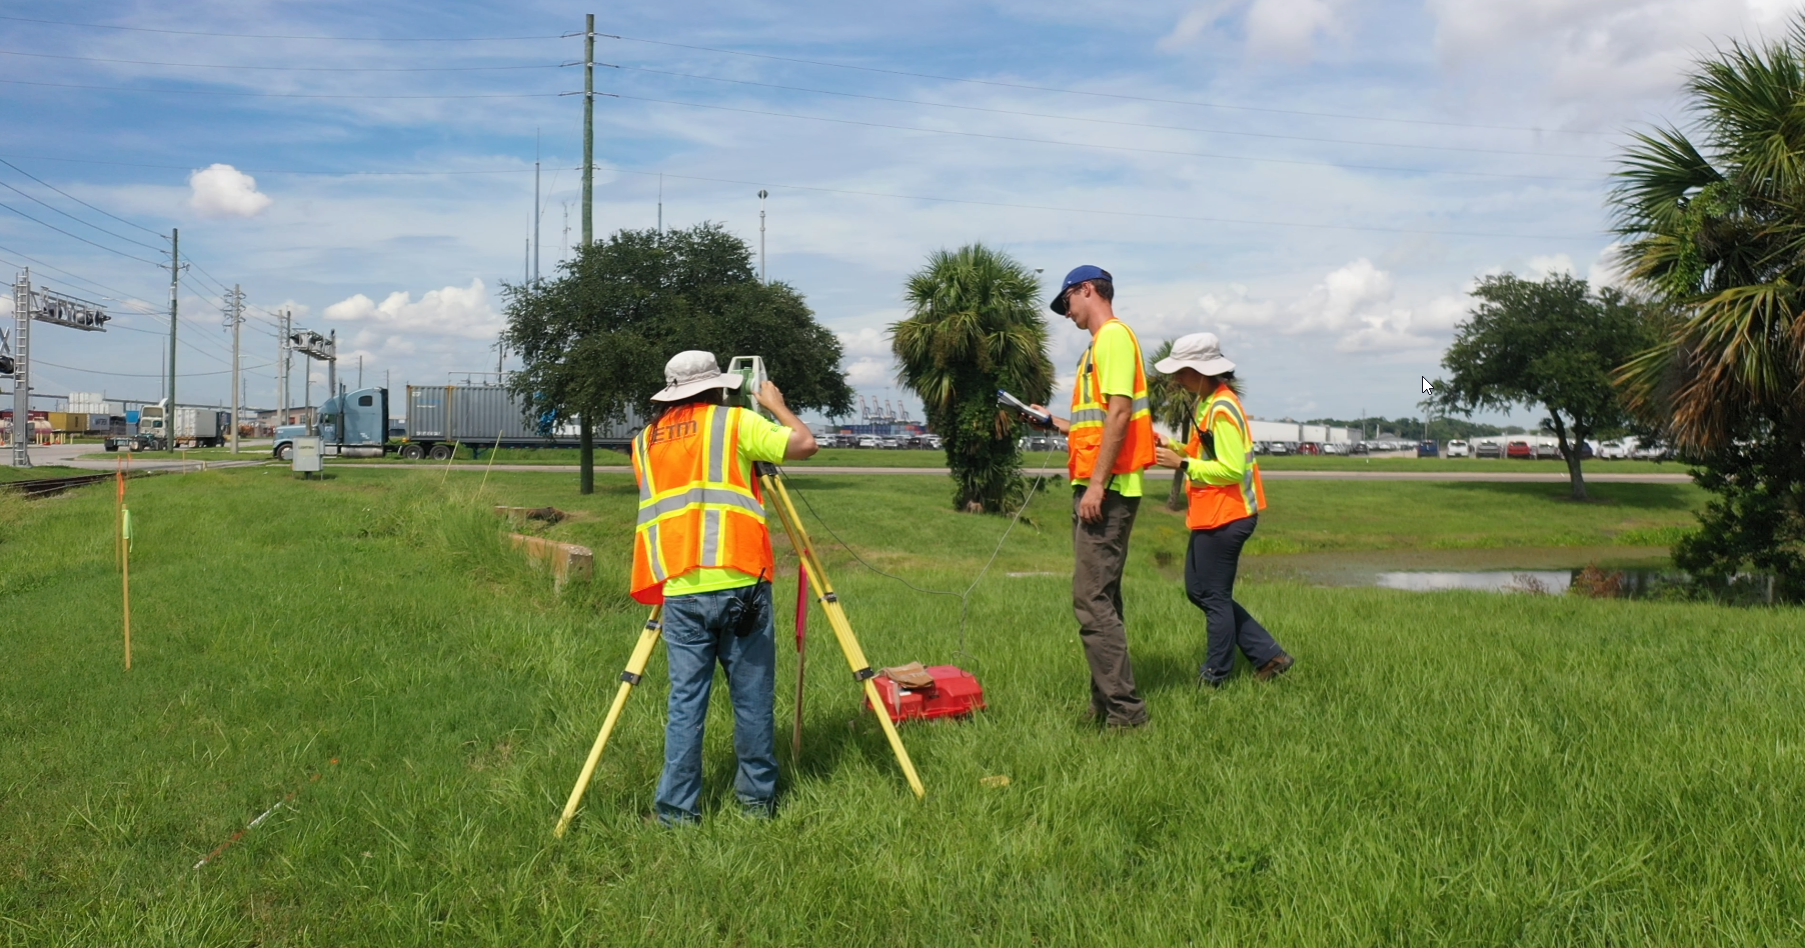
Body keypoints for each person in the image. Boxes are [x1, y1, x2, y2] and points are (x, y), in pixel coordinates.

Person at [629, 350, 819, 824]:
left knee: (685, 704)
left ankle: (675, 812)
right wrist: (774, 404)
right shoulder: (735, 424)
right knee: (752, 701)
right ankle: (757, 805)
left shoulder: (645, 441)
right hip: (740, 580)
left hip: (679, 586)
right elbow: (804, 445)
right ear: (719, 386)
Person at [1030, 266, 1156, 728]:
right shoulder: (1097, 347)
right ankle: (1105, 705)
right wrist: (1051, 422)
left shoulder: (1113, 338)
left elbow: (1120, 414)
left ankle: (1126, 714)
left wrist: (1098, 485)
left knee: (1090, 600)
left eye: (1067, 303)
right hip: (1101, 484)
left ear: (1087, 290)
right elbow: (1096, 423)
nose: (1066, 313)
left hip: (1111, 487)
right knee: (1102, 599)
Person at [1151, 333, 1294, 687]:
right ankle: (1269, 655)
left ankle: (1214, 677)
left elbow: (1231, 469)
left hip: (1229, 515)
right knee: (1198, 591)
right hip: (1210, 513)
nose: (1175, 379)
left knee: (1213, 597)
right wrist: (1173, 446)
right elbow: (1205, 453)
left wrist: (1182, 465)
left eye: (1181, 371)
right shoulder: (1207, 402)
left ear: (1200, 370)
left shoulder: (1223, 407)